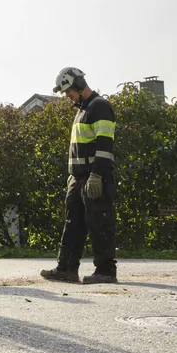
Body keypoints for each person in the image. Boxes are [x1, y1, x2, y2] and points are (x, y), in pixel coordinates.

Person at [40, 67, 118, 284]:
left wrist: (96, 175)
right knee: (73, 224)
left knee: (100, 223)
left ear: (79, 85)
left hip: (94, 177)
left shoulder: (100, 107)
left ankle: (106, 271)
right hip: (77, 178)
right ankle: (66, 269)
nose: (68, 96)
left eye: (69, 91)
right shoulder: (82, 111)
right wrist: (72, 176)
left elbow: (105, 145)